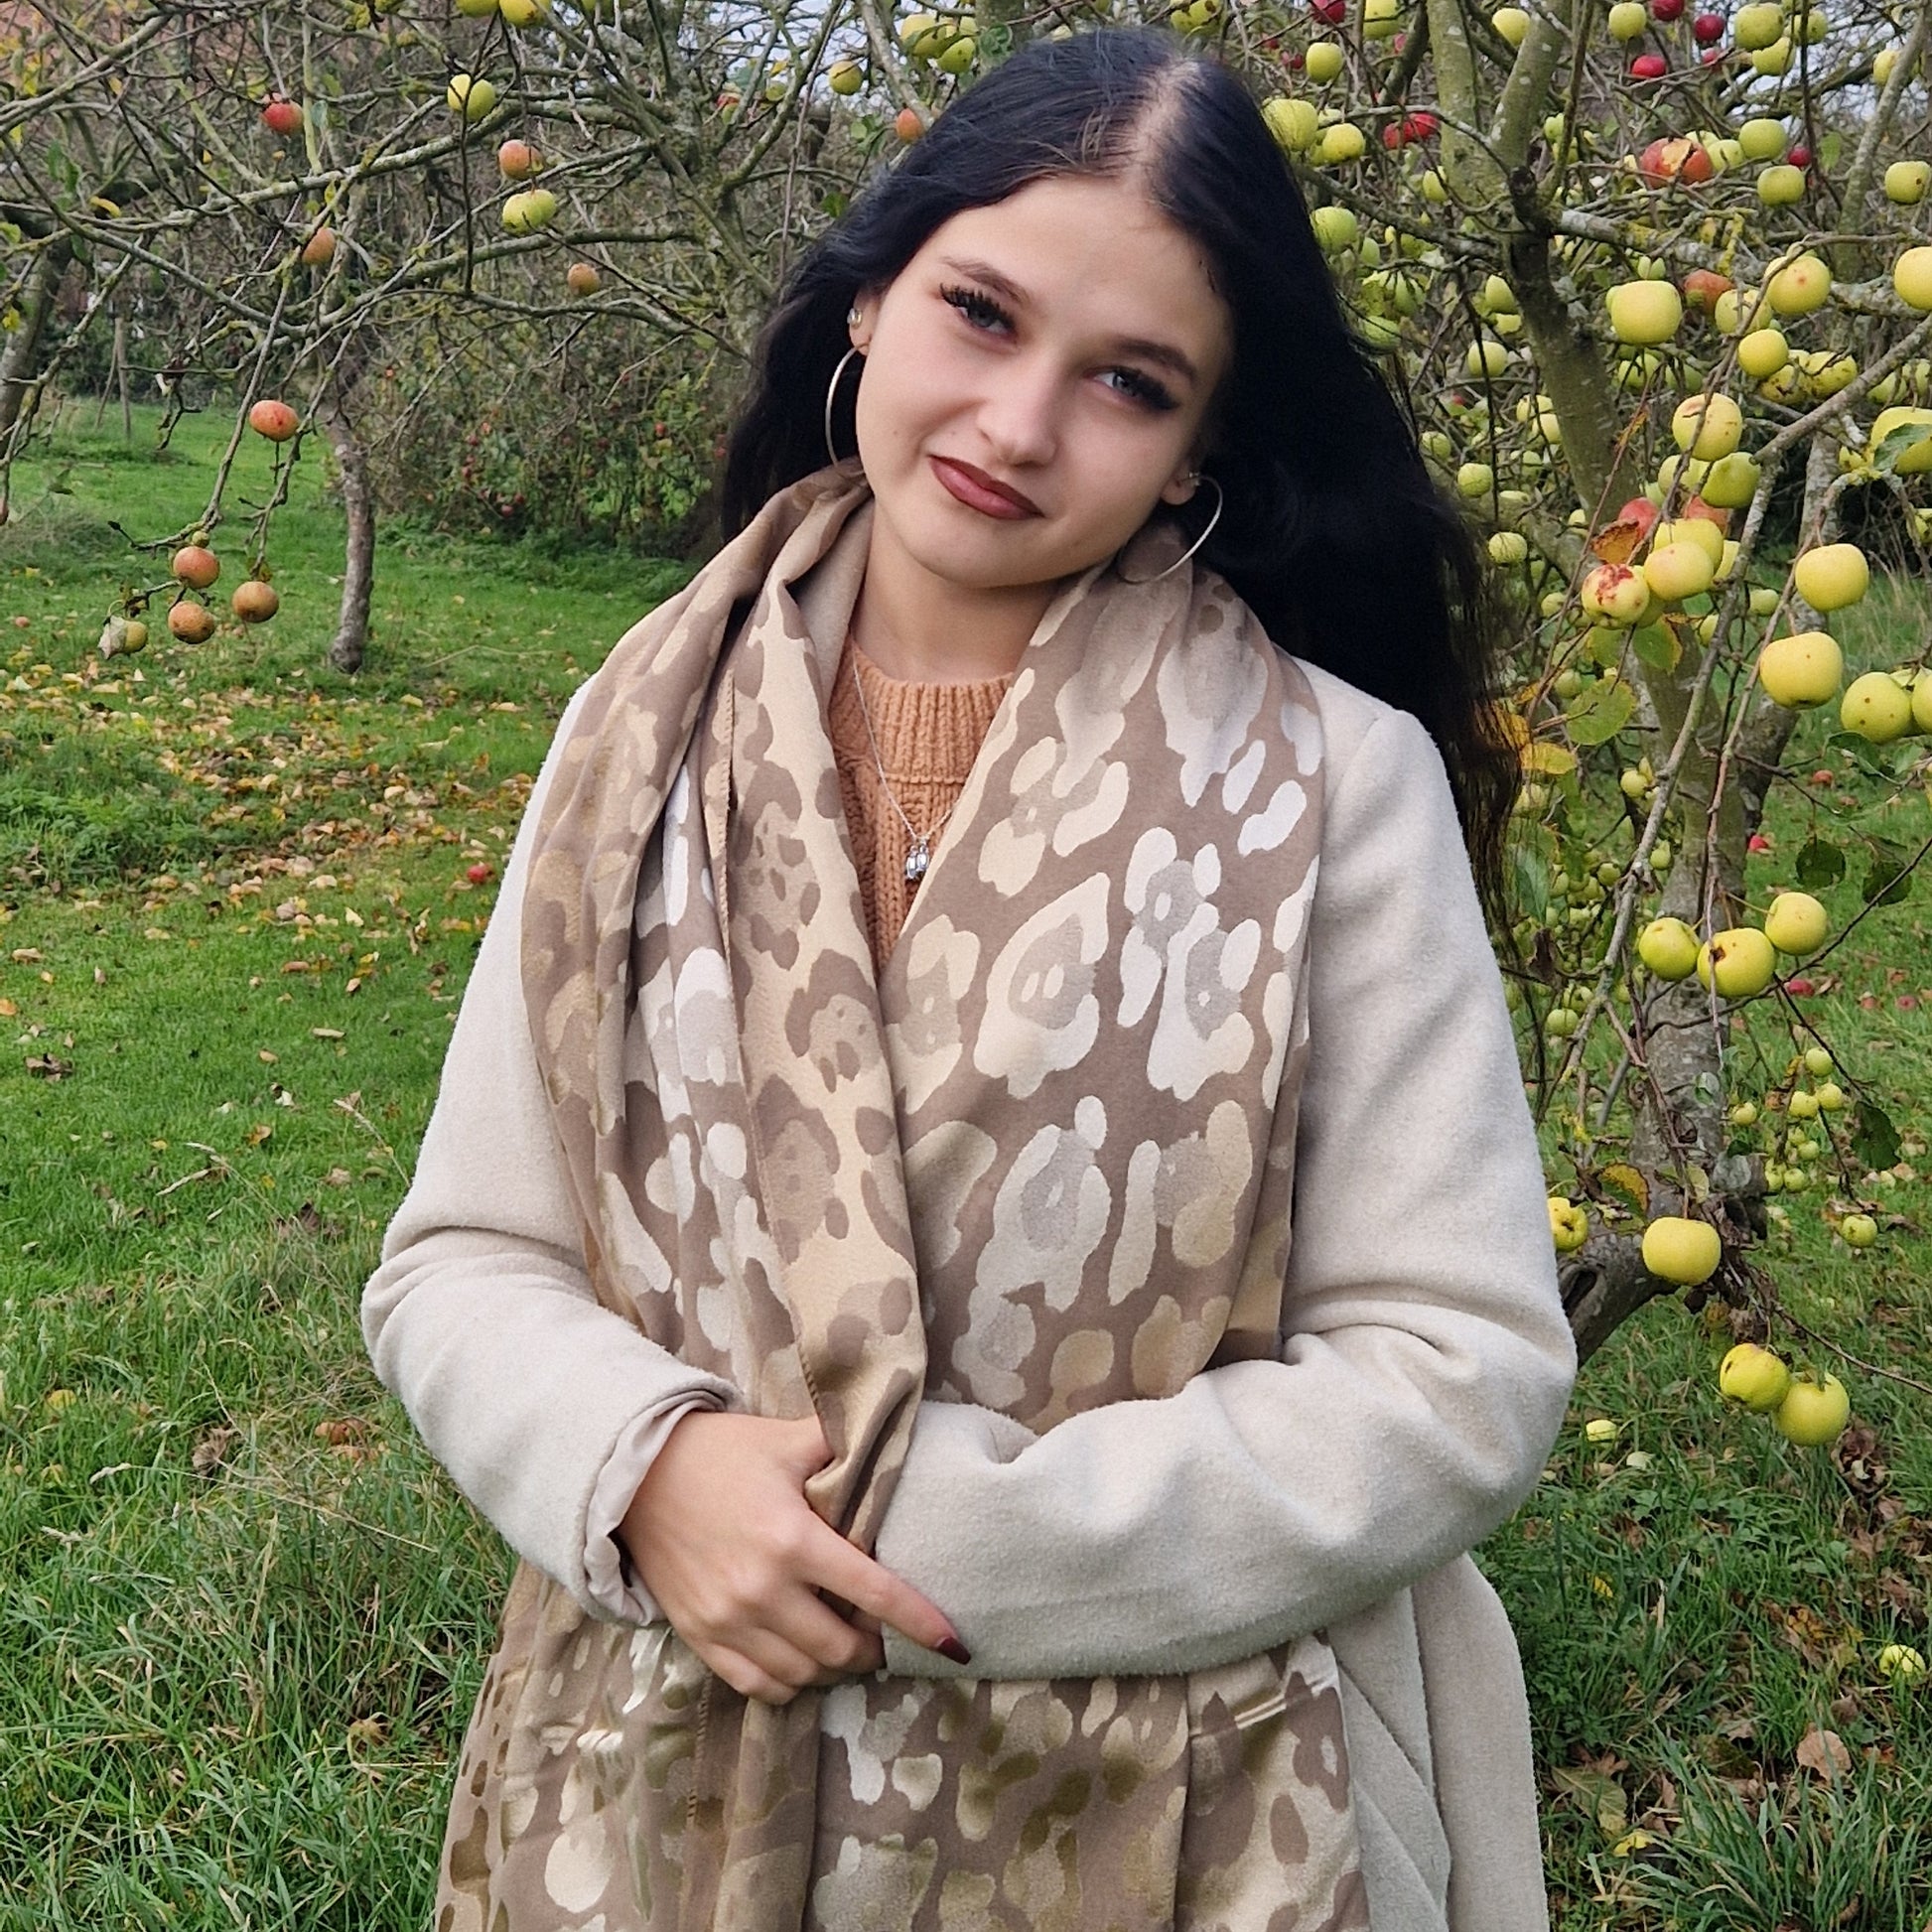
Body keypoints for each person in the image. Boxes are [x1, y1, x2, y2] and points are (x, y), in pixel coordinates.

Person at [361, 24, 1578, 1932]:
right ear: (871, 293)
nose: (1017, 424)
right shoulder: (635, 731)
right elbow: (459, 1259)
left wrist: (919, 1545)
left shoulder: (1336, 784)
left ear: (1200, 449)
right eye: (981, 313)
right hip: (661, 1776)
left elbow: (1455, 1363)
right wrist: (644, 1471)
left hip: (1189, 1800)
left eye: (1127, 381)